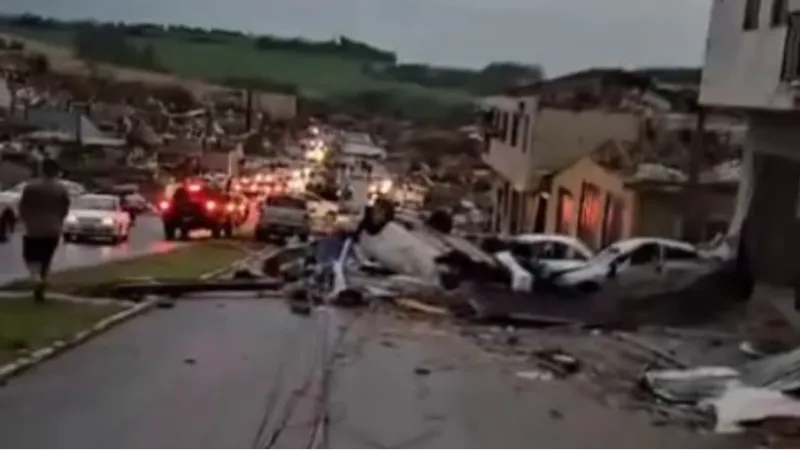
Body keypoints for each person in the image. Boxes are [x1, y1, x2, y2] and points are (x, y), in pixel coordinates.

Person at [18, 158, 70, 302]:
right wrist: (58, 220)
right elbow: (65, 208)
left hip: (34, 229)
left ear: (42, 169)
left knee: (30, 257)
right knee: (45, 259)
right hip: (53, 229)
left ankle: (36, 279)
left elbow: (23, 206)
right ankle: (40, 291)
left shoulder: (31, 187)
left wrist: (25, 220)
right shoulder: (61, 189)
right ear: (56, 171)